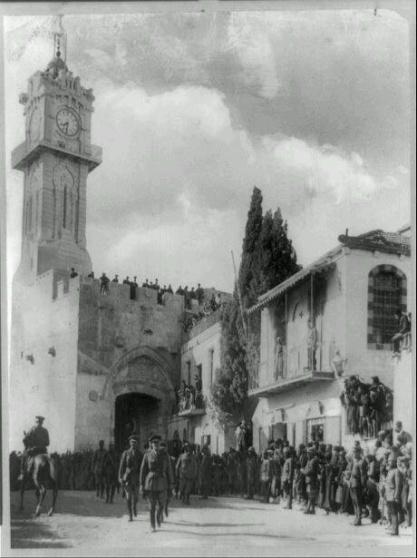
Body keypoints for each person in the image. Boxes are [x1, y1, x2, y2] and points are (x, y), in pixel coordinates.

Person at [140, 434, 173, 532]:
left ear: (160, 443)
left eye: (157, 443)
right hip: (151, 483)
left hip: (162, 483)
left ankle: (159, 516)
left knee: (162, 504)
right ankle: (152, 525)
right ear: (151, 444)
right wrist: (141, 484)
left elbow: (169, 470)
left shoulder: (165, 455)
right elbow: (143, 470)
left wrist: (171, 484)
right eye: (154, 443)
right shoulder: (147, 455)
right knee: (152, 506)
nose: (156, 444)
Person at [119, 435, 143, 522]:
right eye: (132, 442)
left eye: (135, 442)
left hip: (136, 478)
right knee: (128, 498)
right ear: (130, 443)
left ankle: (134, 506)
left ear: (137, 443)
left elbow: (142, 467)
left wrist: (142, 478)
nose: (133, 444)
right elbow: (122, 466)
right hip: (128, 477)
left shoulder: (140, 454)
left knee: (136, 497)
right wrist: (120, 477)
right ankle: (130, 515)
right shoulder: (126, 453)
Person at [19, 415, 50, 480]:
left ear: (36, 422)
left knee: (24, 456)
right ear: (42, 422)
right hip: (43, 451)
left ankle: (22, 474)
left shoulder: (32, 429)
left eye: (38, 422)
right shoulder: (45, 430)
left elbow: (24, 440)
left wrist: (29, 446)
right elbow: (48, 443)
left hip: (34, 450)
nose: (39, 423)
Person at [347, 445, 367, 526]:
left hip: (357, 483)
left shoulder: (361, 462)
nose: (354, 453)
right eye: (353, 452)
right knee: (354, 501)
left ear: (359, 452)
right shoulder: (354, 461)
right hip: (352, 482)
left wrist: (363, 485)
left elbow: (363, 475)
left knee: (358, 502)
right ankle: (356, 517)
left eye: (355, 452)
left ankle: (359, 519)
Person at [385, 454, 403, 536]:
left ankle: (395, 530)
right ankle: (393, 528)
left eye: (390, 461)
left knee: (394, 513)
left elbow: (398, 485)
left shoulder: (396, 471)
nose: (388, 462)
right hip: (388, 495)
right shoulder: (390, 471)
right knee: (391, 513)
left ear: (394, 462)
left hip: (393, 495)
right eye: (388, 461)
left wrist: (396, 496)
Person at [302, 446, 320, 514]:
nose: (307, 454)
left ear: (312, 453)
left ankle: (308, 508)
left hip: (312, 480)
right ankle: (312, 509)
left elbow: (311, 471)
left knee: (310, 494)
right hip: (309, 480)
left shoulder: (313, 461)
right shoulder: (310, 460)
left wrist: (303, 471)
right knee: (311, 494)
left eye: (308, 453)